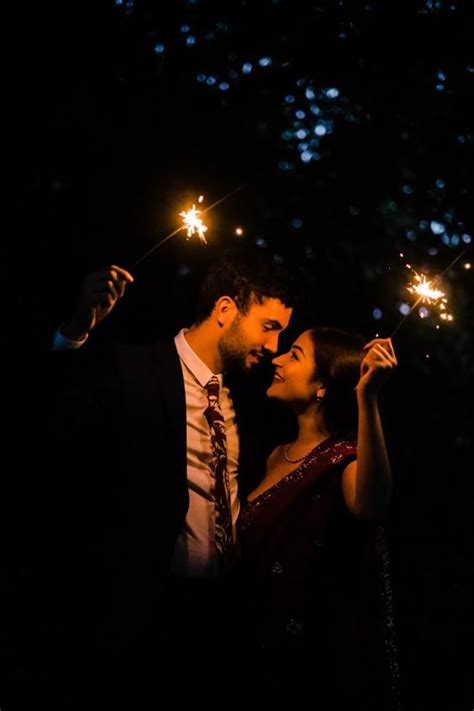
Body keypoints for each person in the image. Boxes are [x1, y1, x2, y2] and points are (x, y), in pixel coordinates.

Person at [43, 249, 300, 674]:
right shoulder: (133, 369)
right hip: (135, 610)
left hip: (219, 620)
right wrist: (73, 333)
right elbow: (55, 433)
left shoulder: (253, 404)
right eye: (268, 327)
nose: (273, 347)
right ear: (224, 310)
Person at [238, 327, 401, 708]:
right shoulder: (273, 454)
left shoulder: (342, 460)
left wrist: (368, 397)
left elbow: (371, 505)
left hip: (311, 674)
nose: (277, 360)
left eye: (294, 355)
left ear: (322, 387)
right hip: (253, 653)